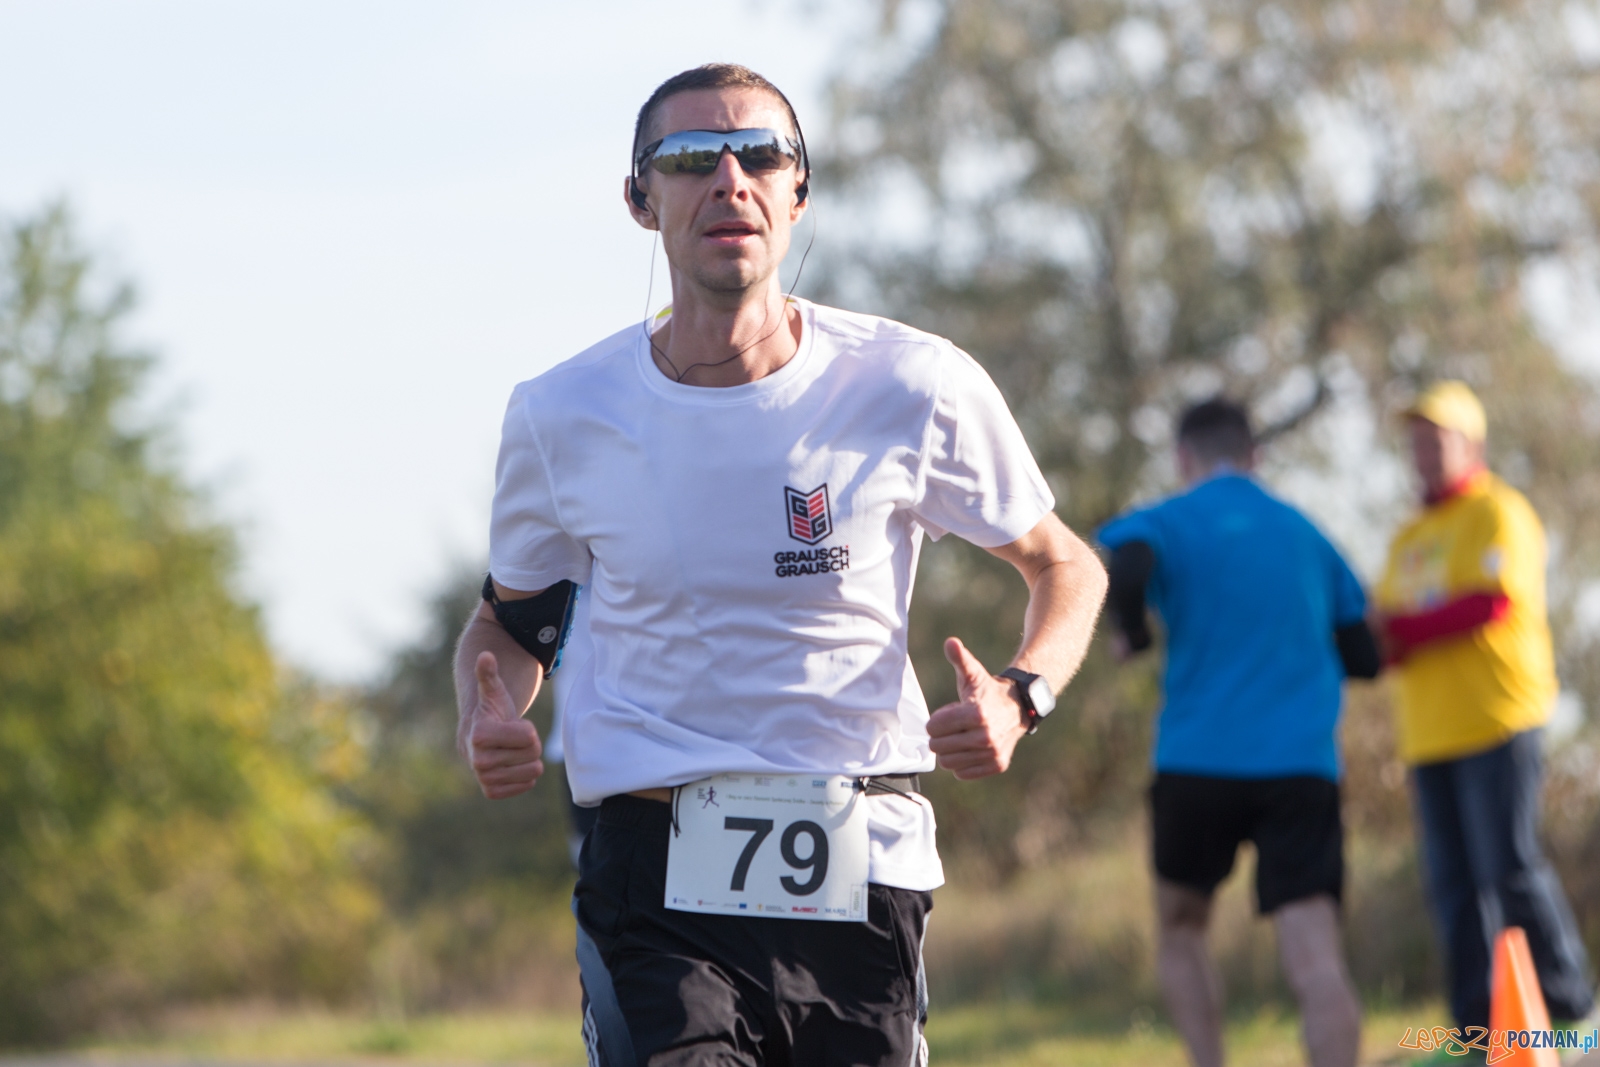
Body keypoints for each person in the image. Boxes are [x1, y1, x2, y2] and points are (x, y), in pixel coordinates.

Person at [453, 63, 1107, 1066]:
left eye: (761, 154)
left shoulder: (908, 382)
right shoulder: (562, 412)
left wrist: (1023, 696)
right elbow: (510, 621)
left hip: (862, 851)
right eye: (687, 158)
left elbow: (1066, 566)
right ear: (640, 199)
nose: (728, 178)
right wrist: (488, 710)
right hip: (653, 861)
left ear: (798, 192)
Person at [1098, 398, 1377, 1067]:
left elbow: (1128, 563)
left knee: (1181, 925)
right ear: (1254, 455)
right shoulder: (1309, 533)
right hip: (1300, 766)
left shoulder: (1170, 516)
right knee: (1314, 952)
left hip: (1199, 761)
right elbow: (1364, 655)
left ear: (1183, 458)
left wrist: (1132, 632)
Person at [1373, 380, 1593, 1039]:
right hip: (1429, 732)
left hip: (1499, 718)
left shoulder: (1501, 511)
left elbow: (1487, 604)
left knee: (1510, 866)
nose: (1423, 452)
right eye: (1415, 441)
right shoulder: (1410, 534)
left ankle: (1573, 1008)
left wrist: (1404, 631)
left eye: (1436, 439)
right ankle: (1477, 1027)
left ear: (1471, 444)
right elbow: (1386, 628)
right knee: (1453, 885)